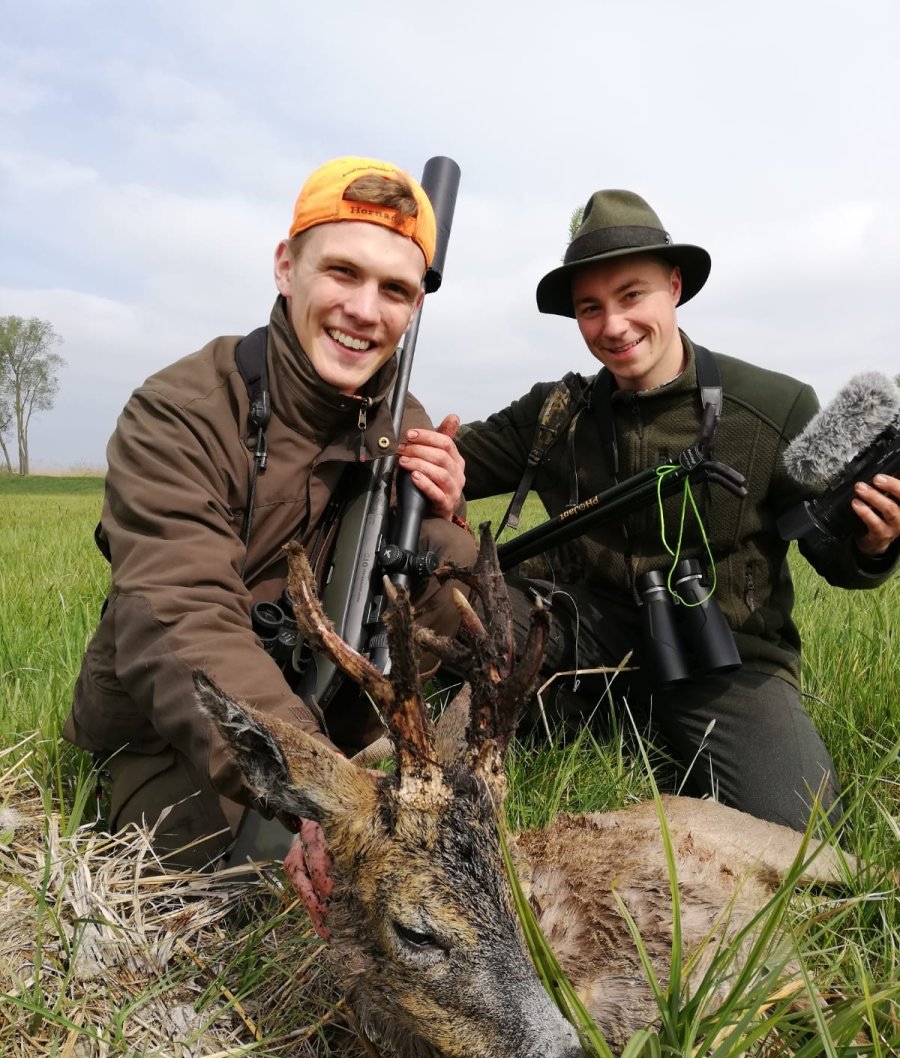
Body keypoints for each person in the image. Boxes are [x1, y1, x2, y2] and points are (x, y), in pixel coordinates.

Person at [406, 189, 900, 831]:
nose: (613, 326)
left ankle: (642, 729)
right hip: (576, 640)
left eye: (632, 295)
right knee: (443, 549)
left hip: (725, 658)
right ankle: (537, 720)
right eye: (590, 308)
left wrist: (875, 544)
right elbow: (448, 457)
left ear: (674, 286)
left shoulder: (776, 405)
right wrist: (436, 469)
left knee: (800, 826)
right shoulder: (555, 411)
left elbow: (833, 554)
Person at [64, 156, 476, 868]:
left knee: (439, 547)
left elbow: (443, 582)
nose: (365, 311)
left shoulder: (398, 418)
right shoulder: (179, 413)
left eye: (395, 290)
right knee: (250, 883)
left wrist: (449, 512)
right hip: (176, 723)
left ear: (415, 306)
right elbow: (181, 613)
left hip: (310, 712)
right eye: (342, 272)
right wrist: (317, 790)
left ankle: (358, 751)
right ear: (287, 266)